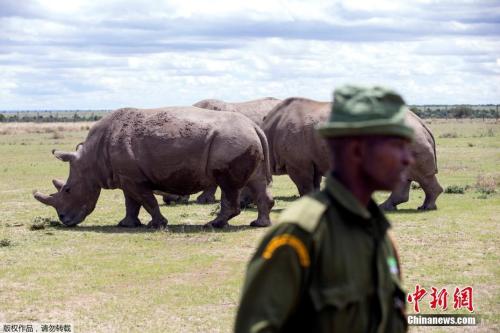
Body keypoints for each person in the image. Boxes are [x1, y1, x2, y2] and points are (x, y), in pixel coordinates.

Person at [234, 85, 415, 333]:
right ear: (357, 150)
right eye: (396, 146)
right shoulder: (300, 234)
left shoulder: (381, 234)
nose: (408, 158)